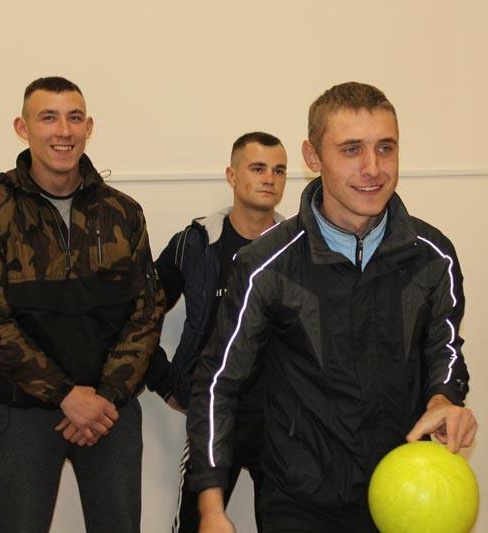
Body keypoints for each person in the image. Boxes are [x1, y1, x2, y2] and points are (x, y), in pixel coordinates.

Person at [186, 82, 478, 533]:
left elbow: (445, 348)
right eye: (351, 149)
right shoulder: (265, 264)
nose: (372, 168)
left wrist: (444, 397)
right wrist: (210, 507)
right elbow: (217, 384)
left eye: (385, 148)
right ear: (313, 156)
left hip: (404, 495)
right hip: (301, 503)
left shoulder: (433, 254)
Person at [0, 76, 164, 533]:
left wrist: (105, 397)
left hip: (110, 415)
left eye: (74, 118)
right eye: (48, 118)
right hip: (25, 416)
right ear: (23, 127)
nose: (64, 131)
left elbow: (147, 312)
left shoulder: (123, 212)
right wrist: (66, 396)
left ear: (89, 127)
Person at [145, 132, 287, 531]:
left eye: (278, 170)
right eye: (257, 168)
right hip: (213, 415)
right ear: (232, 175)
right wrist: (165, 381)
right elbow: (139, 315)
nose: (269, 178)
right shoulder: (196, 244)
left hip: (282, 420)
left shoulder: (299, 246)